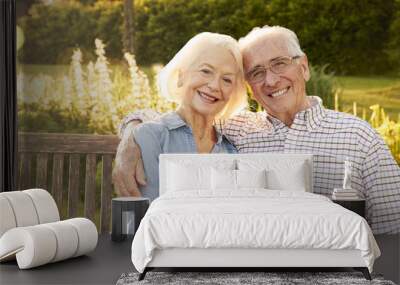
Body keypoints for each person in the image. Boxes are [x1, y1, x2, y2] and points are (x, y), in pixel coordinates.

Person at [113, 26, 400, 235]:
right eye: (257, 73)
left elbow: (394, 224)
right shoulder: (238, 129)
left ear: (304, 67)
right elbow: (182, 117)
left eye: (279, 64)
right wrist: (131, 134)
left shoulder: (357, 135)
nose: (271, 80)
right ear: (248, 86)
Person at [112, 32, 247, 201]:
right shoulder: (151, 136)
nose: (214, 85)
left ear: (233, 92)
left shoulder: (231, 148)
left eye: (227, 80)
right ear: (181, 76)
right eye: (206, 71)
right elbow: (150, 211)